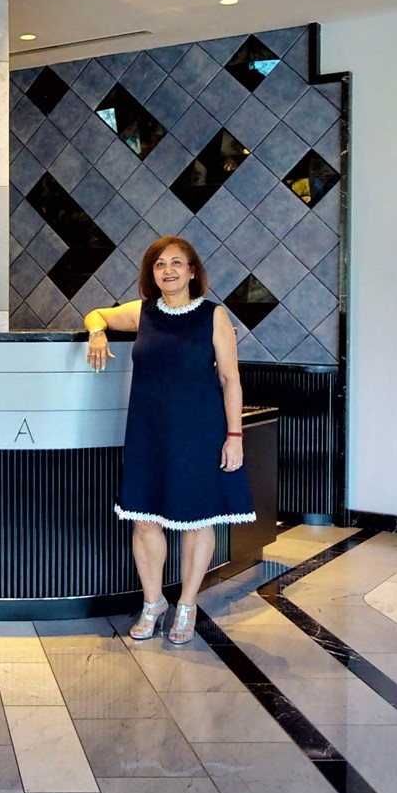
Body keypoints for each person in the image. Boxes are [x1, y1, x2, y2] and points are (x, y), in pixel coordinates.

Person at [82, 236, 253, 645]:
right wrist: (97, 333)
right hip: (147, 433)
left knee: (196, 522)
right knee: (144, 521)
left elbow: (231, 379)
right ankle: (153, 602)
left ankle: (187, 606)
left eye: (178, 263)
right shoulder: (144, 312)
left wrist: (234, 436)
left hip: (199, 432)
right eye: (160, 264)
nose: (169, 270)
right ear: (152, 274)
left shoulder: (214, 316)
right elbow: (96, 313)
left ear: (193, 271)